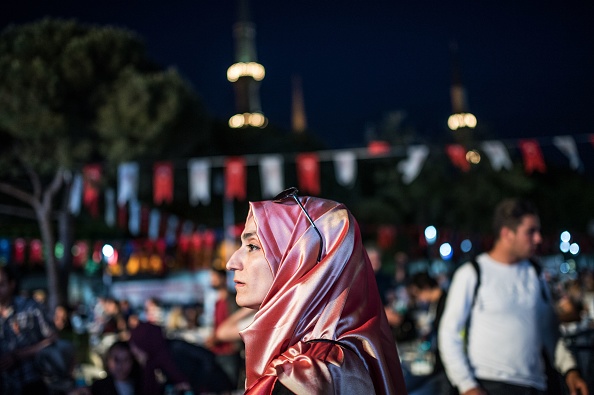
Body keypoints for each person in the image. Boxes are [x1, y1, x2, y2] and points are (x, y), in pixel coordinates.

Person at [225, 187, 407, 394]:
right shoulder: (336, 356)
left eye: (253, 247)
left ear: (302, 261)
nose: (232, 262)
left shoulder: (303, 374)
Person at [438, 198, 589, 395]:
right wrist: (468, 386)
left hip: (535, 386)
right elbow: (449, 334)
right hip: (490, 385)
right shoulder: (472, 273)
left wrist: (570, 371)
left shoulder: (535, 273)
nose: (538, 239)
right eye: (530, 232)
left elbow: (550, 332)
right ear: (506, 234)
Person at [0, 264, 57, 395]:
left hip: (32, 381)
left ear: (12, 284)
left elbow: (52, 339)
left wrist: (18, 355)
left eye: (2, 284)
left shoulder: (31, 308)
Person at [204, 264, 241, 386]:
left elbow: (237, 323)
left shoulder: (233, 299)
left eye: (214, 276)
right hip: (218, 351)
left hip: (230, 351)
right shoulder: (217, 302)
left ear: (223, 278)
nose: (212, 280)